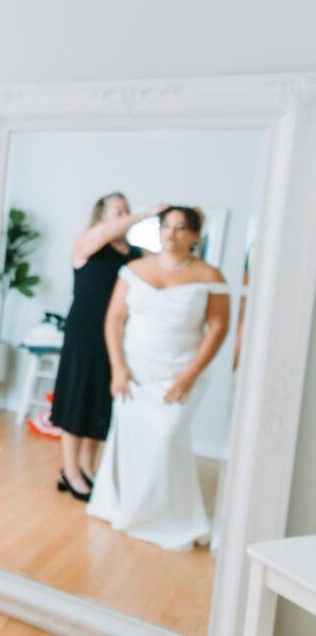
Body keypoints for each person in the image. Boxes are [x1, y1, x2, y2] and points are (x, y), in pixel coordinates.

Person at [87, 207, 230, 551]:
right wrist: (118, 367)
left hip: (179, 374)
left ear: (195, 236)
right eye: (166, 225)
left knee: (167, 438)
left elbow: (218, 327)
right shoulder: (133, 270)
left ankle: (169, 518)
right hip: (135, 372)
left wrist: (190, 375)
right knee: (132, 439)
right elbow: (114, 319)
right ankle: (127, 507)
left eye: (181, 228)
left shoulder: (209, 275)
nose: (172, 233)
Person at [50, 193, 166, 500]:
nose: (124, 214)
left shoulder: (135, 255)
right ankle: (70, 471)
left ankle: (88, 467)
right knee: (77, 398)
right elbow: (104, 234)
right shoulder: (87, 243)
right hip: (84, 333)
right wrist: (145, 212)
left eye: (127, 209)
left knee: (100, 402)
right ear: (101, 214)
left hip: (116, 336)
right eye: (118, 209)